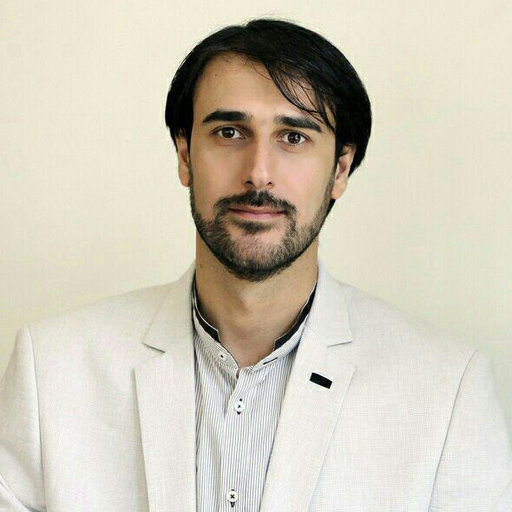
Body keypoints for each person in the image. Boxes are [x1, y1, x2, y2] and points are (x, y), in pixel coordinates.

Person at [0, 18, 511, 512]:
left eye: (294, 137)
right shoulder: (53, 372)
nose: (258, 173)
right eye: (229, 132)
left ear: (340, 169)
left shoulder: (447, 391)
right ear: (185, 155)